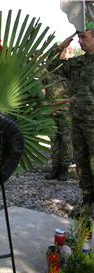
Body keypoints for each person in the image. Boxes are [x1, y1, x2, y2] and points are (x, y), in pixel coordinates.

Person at [50, 22, 94, 212]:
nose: (79, 40)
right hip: (77, 120)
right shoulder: (78, 63)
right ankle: (87, 201)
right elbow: (51, 64)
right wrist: (63, 44)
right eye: (78, 37)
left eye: (84, 37)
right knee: (82, 162)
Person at [44, 47, 74, 181]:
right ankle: (55, 168)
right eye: (61, 51)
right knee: (54, 141)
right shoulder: (49, 71)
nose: (63, 53)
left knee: (66, 141)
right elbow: (40, 89)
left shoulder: (72, 70)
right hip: (51, 111)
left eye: (65, 51)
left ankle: (64, 169)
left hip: (67, 111)